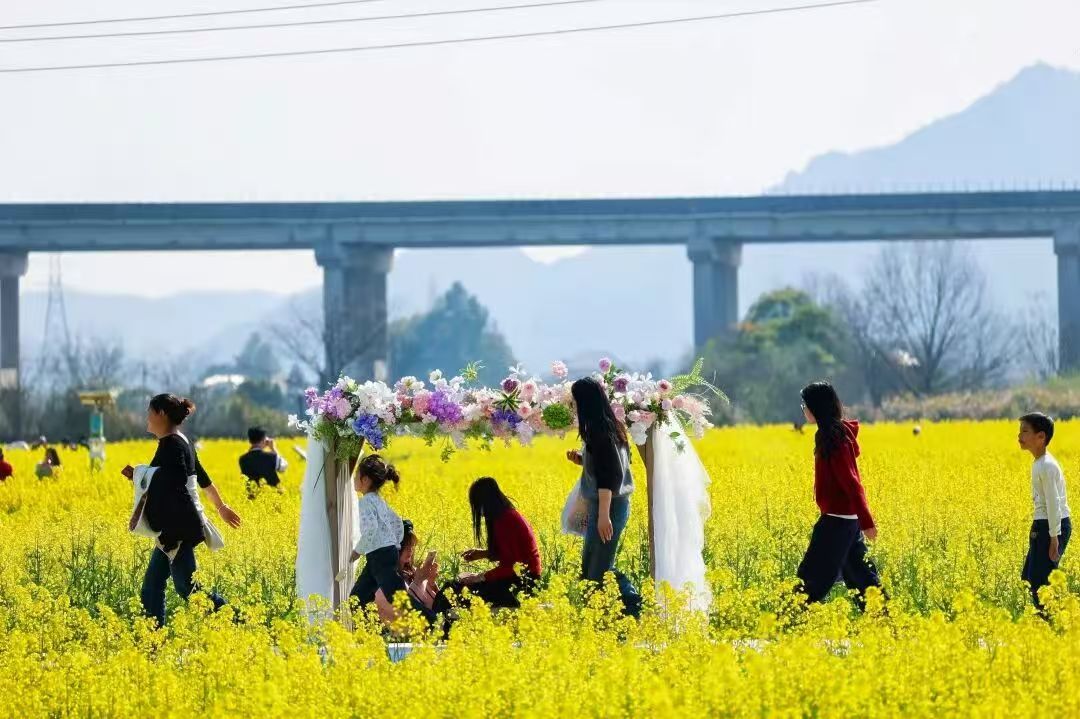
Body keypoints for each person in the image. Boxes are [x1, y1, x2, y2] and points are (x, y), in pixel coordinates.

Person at [122, 394, 242, 627]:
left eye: (150, 412)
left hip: (176, 529)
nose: (147, 417)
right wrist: (221, 507)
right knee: (152, 586)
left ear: (161, 414)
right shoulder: (180, 441)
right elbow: (200, 479)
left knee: (187, 587)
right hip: (176, 526)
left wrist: (141, 475)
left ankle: (238, 620)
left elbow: (175, 486)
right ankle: (153, 637)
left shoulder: (172, 446)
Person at [795, 381, 882, 608]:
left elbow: (852, 482)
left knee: (811, 578)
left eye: (804, 404)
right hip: (846, 521)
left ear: (816, 406)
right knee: (862, 579)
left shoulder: (834, 438)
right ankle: (887, 624)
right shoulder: (830, 434)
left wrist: (867, 522)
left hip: (837, 521)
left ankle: (785, 623)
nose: (802, 409)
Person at [566, 376, 642, 618]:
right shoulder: (610, 427)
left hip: (609, 507)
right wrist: (582, 460)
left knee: (597, 569)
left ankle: (632, 604)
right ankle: (606, 618)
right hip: (608, 506)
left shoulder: (601, 432)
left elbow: (609, 477)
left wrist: (603, 517)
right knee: (591, 566)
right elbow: (608, 467)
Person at [453, 477, 541, 609]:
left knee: (460, 593)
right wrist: (484, 554)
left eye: (478, 504)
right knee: (461, 589)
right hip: (523, 578)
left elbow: (512, 567)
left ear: (486, 502)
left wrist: (480, 577)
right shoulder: (506, 515)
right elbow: (511, 556)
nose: (479, 511)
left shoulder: (506, 520)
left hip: (523, 583)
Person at [1018, 412, 1071, 612]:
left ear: (1041, 437)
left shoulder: (1047, 465)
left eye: (1025, 431)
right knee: (1030, 578)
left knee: (1041, 582)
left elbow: (1054, 503)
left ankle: (1057, 622)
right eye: (1019, 431)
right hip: (1044, 524)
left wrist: (1054, 537)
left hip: (1052, 525)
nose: (1019, 436)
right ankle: (1048, 624)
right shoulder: (1039, 462)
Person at [344, 455, 407, 612]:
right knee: (357, 600)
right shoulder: (378, 499)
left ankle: (433, 621)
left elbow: (371, 529)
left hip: (380, 556)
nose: (353, 479)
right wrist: (395, 544)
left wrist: (357, 551)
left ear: (365, 480)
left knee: (401, 602)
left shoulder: (365, 502)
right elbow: (397, 521)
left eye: (356, 475)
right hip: (382, 555)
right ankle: (367, 634)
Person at [238, 426, 288, 495]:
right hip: (273, 497)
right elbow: (283, 467)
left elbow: (252, 458)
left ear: (249, 441)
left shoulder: (242, 459)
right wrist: (273, 448)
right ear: (264, 440)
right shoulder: (271, 456)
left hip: (252, 498)